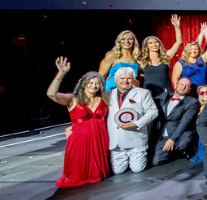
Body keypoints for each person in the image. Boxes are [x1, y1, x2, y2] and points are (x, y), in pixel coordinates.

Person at [46, 58, 112, 187]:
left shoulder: (105, 98)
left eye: (97, 83)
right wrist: (61, 74)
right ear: (83, 84)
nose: (94, 86)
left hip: (100, 139)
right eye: (91, 83)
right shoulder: (73, 99)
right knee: (76, 173)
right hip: (79, 141)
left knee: (99, 177)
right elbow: (51, 94)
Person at [106, 66, 159, 174]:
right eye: (122, 78)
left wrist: (136, 124)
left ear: (134, 80)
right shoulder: (107, 95)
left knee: (137, 169)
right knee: (117, 172)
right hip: (115, 142)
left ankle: (138, 155)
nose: (125, 81)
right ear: (115, 80)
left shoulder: (143, 93)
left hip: (135, 139)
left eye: (129, 78)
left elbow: (153, 112)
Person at [138, 15, 183, 113]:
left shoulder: (166, 57)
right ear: (146, 46)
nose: (154, 44)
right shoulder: (142, 60)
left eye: (156, 42)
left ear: (159, 44)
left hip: (166, 92)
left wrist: (176, 27)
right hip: (149, 94)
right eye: (151, 43)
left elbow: (179, 42)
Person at [150, 77, 198, 166]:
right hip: (162, 133)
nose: (183, 87)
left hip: (179, 134)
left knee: (185, 142)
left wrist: (172, 139)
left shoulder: (192, 102)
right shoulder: (164, 96)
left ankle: (182, 150)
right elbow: (148, 99)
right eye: (181, 84)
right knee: (156, 161)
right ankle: (173, 153)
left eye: (186, 86)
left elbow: (184, 123)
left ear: (189, 89)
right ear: (176, 85)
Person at [172, 24, 207, 90]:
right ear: (187, 50)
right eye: (191, 49)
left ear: (199, 50)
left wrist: (206, 34)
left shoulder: (201, 60)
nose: (193, 51)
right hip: (188, 91)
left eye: (196, 49)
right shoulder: (181, 63)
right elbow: (175, 79)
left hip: (202, 91)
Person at [187, 85, 207, 164]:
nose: (205, 94)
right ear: (199, 95)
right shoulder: (198, 107)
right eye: (202, 93)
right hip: (200, 133)